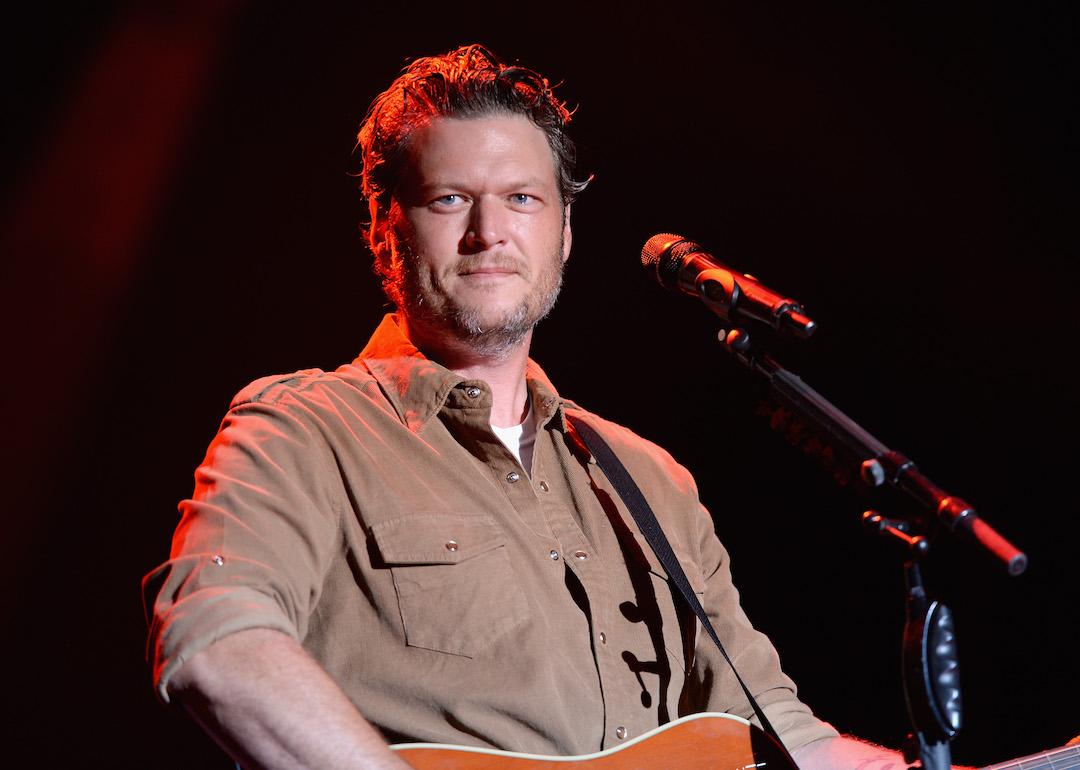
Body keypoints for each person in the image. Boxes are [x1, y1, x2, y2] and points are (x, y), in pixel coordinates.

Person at [144, 44, 962, 769]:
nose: (489, 231)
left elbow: (789, 738)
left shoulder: (652, 481)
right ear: (385, 231)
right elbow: (216, 643)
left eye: (523, 200)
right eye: (448, 200)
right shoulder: (303, 428)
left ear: (565, 232)